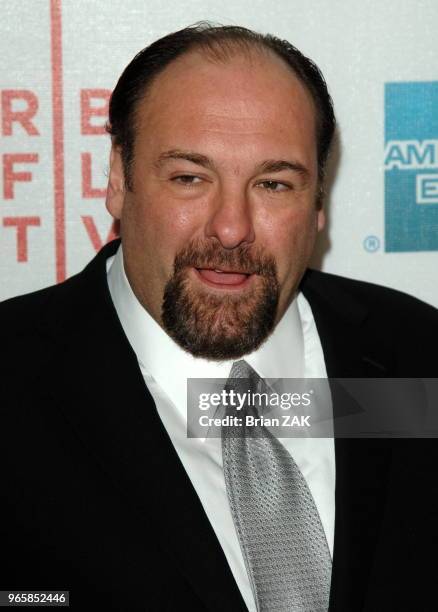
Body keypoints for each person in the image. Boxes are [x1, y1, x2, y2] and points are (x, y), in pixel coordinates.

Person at [1, 23, 437, 612]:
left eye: (274, 183)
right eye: (189, 178)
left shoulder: (417, 356)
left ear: (317, 206)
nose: (231, 227)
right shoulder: (15, 379)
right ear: (118, 180)